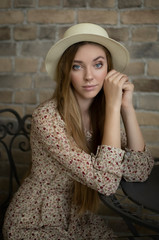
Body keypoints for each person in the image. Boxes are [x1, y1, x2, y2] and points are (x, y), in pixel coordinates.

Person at [3, 23, 154, 240]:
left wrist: (126, 108)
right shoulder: (47, 118)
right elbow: (107, 182)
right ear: (66, 71)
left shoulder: (102, 117)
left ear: (109, 70)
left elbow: (138, 171)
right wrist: (113, 107)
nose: (89, 76)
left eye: (98, 65)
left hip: (79, 218)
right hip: (35, 223)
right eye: (77, 66)